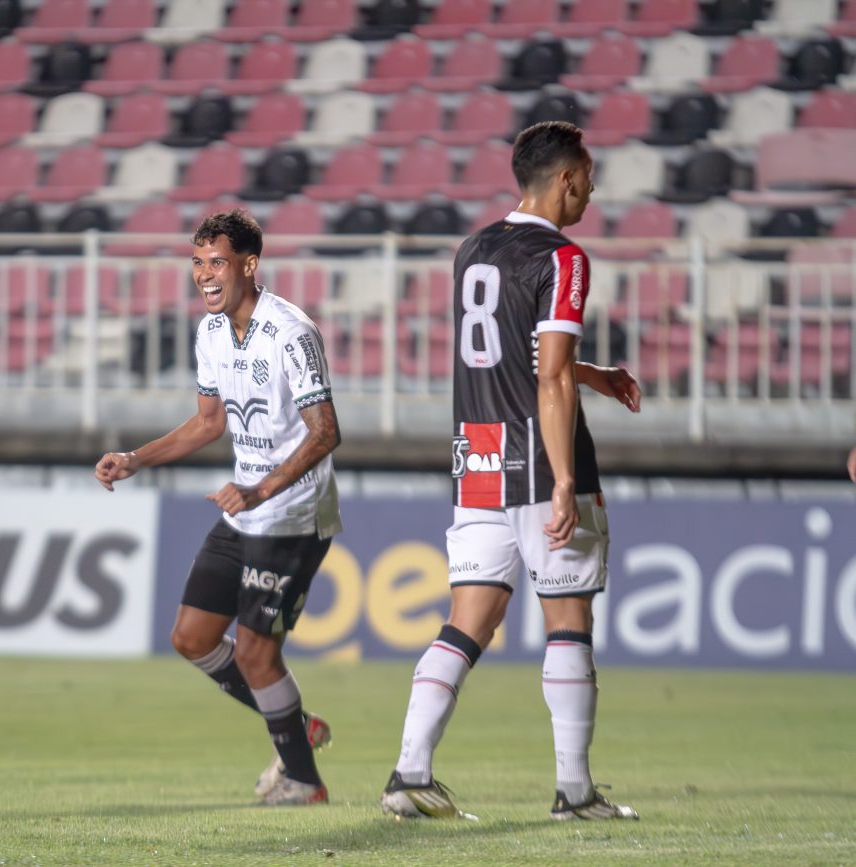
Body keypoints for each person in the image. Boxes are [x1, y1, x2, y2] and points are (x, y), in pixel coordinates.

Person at [380, 121, 642, 822]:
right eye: (587, 175)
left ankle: (408, 773)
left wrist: (595, 374)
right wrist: (562, 480)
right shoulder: (563, 258)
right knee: (568, 621)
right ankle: (575, 791)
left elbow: (509, 354)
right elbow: (547, 375)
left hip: (478, 456)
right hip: (539, 460)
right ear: (564, 179)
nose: (591, 189)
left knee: (467, 621)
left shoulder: (475, 248)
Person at [95, 210, 341, 806]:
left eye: (217, 263)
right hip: (244, 510)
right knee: (191, 636)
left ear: (249, 265)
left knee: (257, 652)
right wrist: (137, 458)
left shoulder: (291, 332)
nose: (204, 276)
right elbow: (208, 423)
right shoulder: (209, 332)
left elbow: (326, 432)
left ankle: (303, 779)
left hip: (292, 515)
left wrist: (261, 490)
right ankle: (291, 723)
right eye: (197, 263)